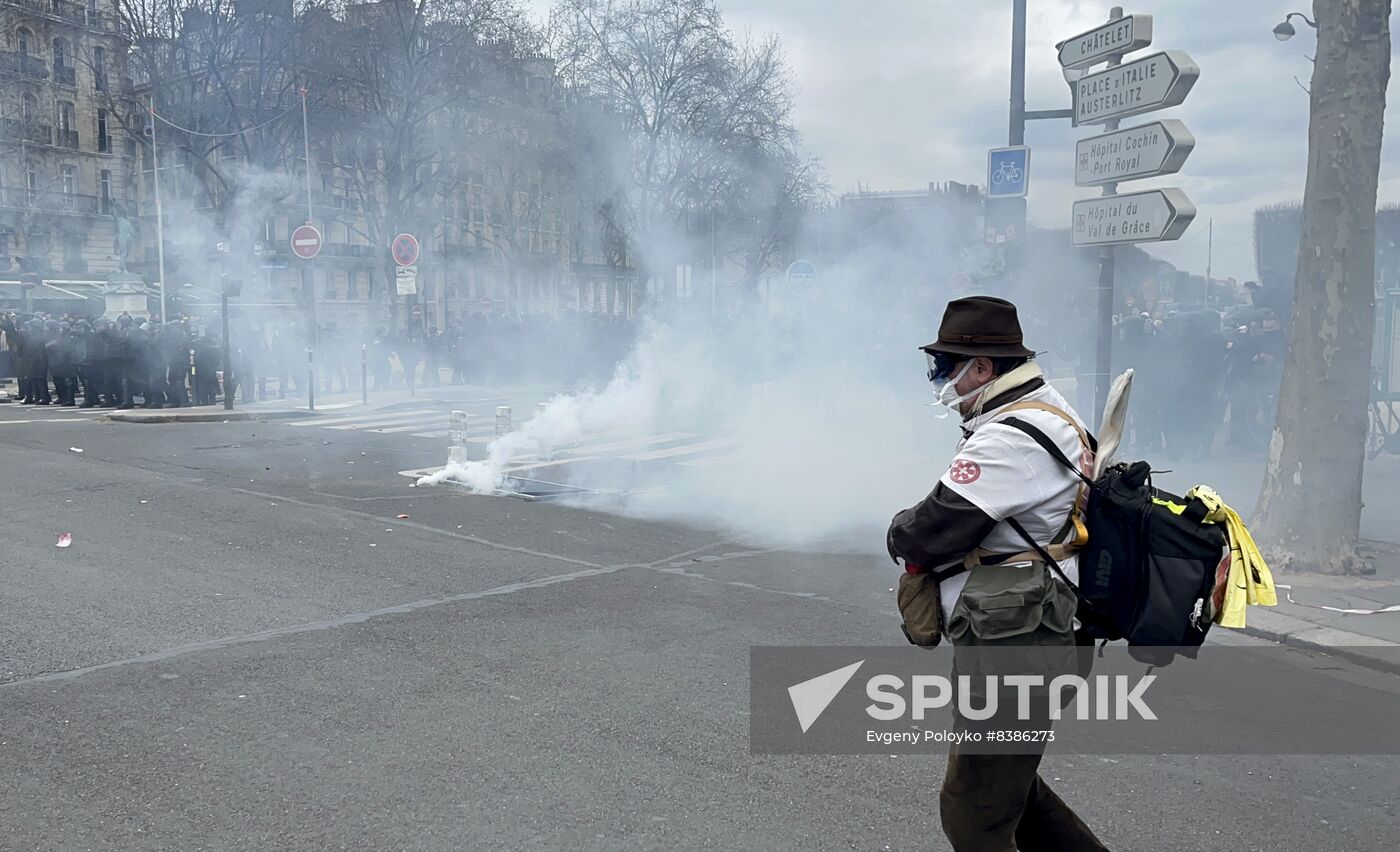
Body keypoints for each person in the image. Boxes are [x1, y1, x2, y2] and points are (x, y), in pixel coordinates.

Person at [886, 296, 1108, 852]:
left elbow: (928, 530)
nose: (942, 380)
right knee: (1010, 790)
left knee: (973, 816)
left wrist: (897, 528)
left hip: (1017, 648)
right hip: (1026, 635)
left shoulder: (1009, 438)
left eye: (947, 367)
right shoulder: (1046, 405)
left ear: (981, 369)